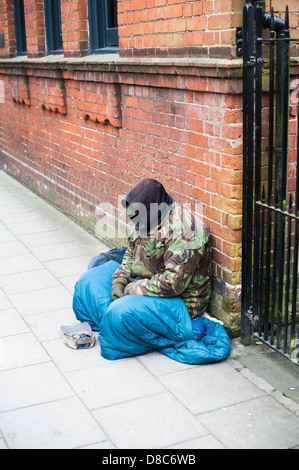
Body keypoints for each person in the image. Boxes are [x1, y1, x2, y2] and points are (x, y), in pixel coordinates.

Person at [111, 178, 212, 320]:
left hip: (181, 303)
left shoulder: (186, 231)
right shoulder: (147, 217)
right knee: (90, 284)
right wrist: (119, 280)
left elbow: (172, 283)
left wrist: (131, 289)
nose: (132, 220)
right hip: (149, 283)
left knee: (120, 316)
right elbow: (131, 253)